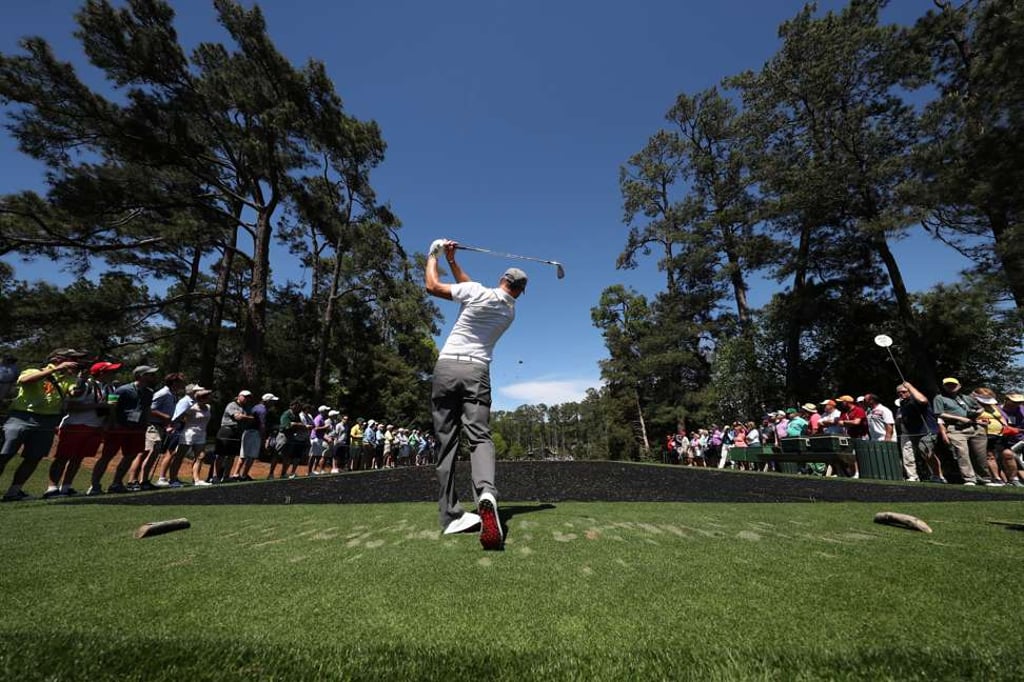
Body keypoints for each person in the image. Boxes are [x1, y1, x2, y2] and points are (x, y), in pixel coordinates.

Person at [425, 238, 526, 550]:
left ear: (501, 280)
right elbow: (471, 289)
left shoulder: (477, 293)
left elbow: (432, 287)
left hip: (447, 368)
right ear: (519, 291)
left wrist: (434, 254)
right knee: (479, 436)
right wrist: (454, 262)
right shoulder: (509, 313)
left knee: (446, 442)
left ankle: (452, 515)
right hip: (477, 372)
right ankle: (485, 493)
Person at [0, 349, 86, 501]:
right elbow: (25, 381)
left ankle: (14, 491)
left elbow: (75, 393)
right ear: (58, 359)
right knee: (4, 454)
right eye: (73, 359)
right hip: (21, 417)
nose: (76, 362)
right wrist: (57, 369)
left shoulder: (69, 378)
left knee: (34, 457)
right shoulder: (34, 370)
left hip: (47, 421)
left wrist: (81, 381)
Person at [44, 360, 119, 498]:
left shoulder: (111, 388)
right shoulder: (85, 385)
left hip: (95, 427)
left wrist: (109, 421)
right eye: (111, 371)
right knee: (63, 457)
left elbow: (111, 407)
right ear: (101, 373)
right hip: (76, 425)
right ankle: (52, 487)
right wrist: (98, 406)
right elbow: (70, 406)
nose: (114, 373)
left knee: (78, 458)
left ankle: (66, 487)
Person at [89, 365, 160, 494]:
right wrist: (113, 423)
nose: (153, 377)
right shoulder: (122, 390)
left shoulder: (149, 392)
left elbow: (146, 409)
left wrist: (146, 424)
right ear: (140, 376)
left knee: (130, 456)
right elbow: (111, 406)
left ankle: (116, 483)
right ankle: (94, 485)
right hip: (119, 428)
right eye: (150, 374)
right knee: (107, 456)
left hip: (137, 429)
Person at [932, 377, 989, 485]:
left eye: (953, 384)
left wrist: (977, 413)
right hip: (955, 429)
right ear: (944, 386)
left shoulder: (966, 398)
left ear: (959, 386)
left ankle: (984, 477)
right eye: (948, 385)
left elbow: (980, 408)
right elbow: (939, 413)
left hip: (974, 427)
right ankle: (969, 479)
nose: (951, 386)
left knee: (980, 455)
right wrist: (959, 418)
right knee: (962, 453)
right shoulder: (939, 398)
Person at [894, 381, 944, 483]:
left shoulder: (916, 399)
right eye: (899, 393)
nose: (901, 394)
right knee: (925, 454)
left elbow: (922, 400)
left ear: (910, 391)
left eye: (904, 392)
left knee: (927, 452)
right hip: (914, 433)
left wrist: (910, 386)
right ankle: (936, 476)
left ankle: (938, 476)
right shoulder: (903, 403)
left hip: (927, 431)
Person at [214, 390, 255, 482]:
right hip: (226, 431)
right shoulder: (232, 405)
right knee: (221, 455)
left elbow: (250, 418)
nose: (246, 399)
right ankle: (215, 476)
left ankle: (226, 476)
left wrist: (245, 417)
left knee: (231, 456)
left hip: (237, 432)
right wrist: (247, 417)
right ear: (239, 396)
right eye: (245, 396)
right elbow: (238, 417)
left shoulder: (246, 407)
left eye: (248, 397)